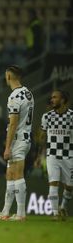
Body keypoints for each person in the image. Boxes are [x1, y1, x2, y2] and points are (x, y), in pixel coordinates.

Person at [0, 66, 34, 221]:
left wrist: (7, 147)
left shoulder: (14, 96)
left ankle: (21, 214)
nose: (5, 78)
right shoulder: (28, 92)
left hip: (18, 139)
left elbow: (13, 124)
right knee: (10, 175)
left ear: (9, 76)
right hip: (24, 137)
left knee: (17, 174)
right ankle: (5, 212)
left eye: (5, 76)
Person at [39, 90, 73, 220]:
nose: (52, 99)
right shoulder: (47, 116)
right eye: (51, 97)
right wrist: (39, 155)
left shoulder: (71, 116)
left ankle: (63, 207)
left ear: (63, 100)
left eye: (55, 97)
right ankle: (55, 213)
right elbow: (42, 137)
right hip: (52, 155)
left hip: (69, 156)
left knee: (69, 186)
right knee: (53, 184)